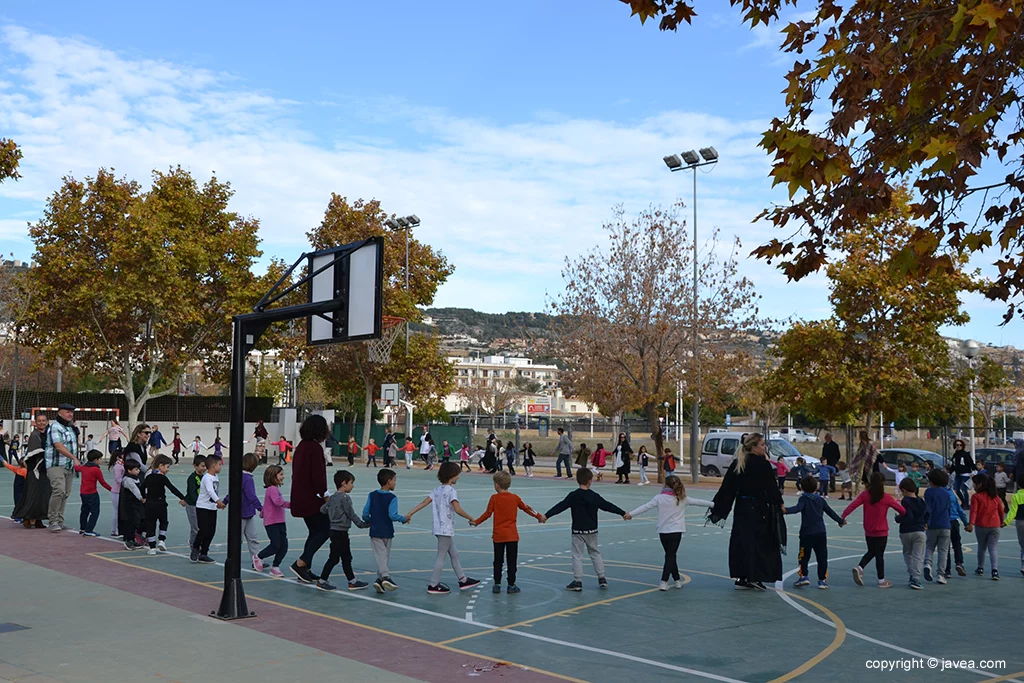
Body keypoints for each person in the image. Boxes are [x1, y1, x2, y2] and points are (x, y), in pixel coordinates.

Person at [708, 433, 786, 591]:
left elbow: (727, 488)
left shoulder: (739, 463)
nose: (765, 447)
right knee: (759, 542)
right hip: (758, 509)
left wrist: (718, 507)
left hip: (742, 507)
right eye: (763, 445)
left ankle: (742, 577)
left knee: (742, 541)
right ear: (754, 447)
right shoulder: (762, 464)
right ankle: (754, 576)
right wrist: (780, 504)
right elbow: (771, 487)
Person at [544, 468, 629, 591]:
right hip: (592, 531)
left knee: (577, 555)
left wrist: (546, 515)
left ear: (578, 480)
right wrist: (622, 513)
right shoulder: (594, 496)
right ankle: (602, 578)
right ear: (590, 480)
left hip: (577, 531)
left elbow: (560, 506)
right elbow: (608, 506)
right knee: (595, 553)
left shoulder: (573, 496)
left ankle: (578, 581)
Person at [406, 461, 482, 595]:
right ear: (452, 475)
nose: (459, 477)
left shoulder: (436, 490)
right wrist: (471, 517)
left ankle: (462, 579)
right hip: (445, 529)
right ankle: (433, 584)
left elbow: (424, 502)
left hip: (439, 528)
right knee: (441, 556)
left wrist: (410, 513)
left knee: (454, 554)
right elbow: (457, 509)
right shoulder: (451, 491)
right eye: (457, 474)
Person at [628, 475, 714, 590]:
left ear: (666, 485)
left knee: (670, 555)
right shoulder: (682, 498)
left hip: (663, 532)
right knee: (670, 556)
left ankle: (664, 581)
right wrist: (714, 504)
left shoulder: (659, 498)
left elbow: (645, 507)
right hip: (676, 532)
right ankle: (677, 580)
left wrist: (630, 514)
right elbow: (699, 502)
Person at [471, 470, 543, 594]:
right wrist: (539, 517)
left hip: (498, 536)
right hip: (512, 536)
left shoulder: (494, 498)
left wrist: (476, 522)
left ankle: (497, 584)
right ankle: (511, 584)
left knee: (498, 561)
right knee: (512, 561)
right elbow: (527, 508)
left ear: (497, 485)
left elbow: (487, 514)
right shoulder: (515, 498)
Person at [841, 471, 905, 589]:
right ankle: (881, 580)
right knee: (879, 555)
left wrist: (843, 517)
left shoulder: (865, 495)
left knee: (872, 551)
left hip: (868, 530)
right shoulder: (886, 498)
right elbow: (902, 510)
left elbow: (853, 505)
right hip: (881, 531)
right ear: (883, 483)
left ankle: (860, 568)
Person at [289, 414, 332, 583]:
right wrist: (325, 495)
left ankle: (305, 568)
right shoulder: (315, 448)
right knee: (324, 530)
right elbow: (318, 476)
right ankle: (301, 563)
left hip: (299, 495)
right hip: (311, 498)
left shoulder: (301, 446)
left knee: (314, 531)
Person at [784, 475, 846, 589]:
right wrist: (840, 521)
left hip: (806, 533)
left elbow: (797, 508)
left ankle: (804, 576)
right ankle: (822, 580)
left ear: (802, 487)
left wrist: (785, 511)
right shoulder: (820, 500)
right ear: (816, 487)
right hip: (821, 532)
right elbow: (830, 512)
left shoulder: (803, 499)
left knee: (803, 556)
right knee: (822, 557)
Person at [317, 469, 371, 591]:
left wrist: (332, 511)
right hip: (341, 532)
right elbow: (351, 514)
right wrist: (363, 524)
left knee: (345, 557)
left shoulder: (332, 498)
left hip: (334, 531)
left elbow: (322, 509)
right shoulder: (345, 498)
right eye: (351, 482)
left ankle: (352, 581)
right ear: (344, 483)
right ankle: (322, 580)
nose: (353, 485)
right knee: (336, 558)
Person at [363, 468, 407, 593]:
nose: (395, 483)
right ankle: (385, 577)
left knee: (381, 556)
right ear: (388, 481)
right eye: (394, 480)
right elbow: (392, 515)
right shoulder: (392, 498)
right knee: (384, 556)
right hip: (387, 530)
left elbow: (365, 513)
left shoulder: (372, 495)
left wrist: (369, 520)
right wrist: (403, 518)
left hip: (376, 530)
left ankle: (379, 580)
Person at [223, 453, 264, 569]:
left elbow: (232, 492)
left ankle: (255, 560)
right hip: (244, 512)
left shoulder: (239, 476)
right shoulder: (248, 479)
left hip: (243, 513)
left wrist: (225, 501)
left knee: (248, 538)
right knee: (251, 538)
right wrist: (261, 508)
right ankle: (239, 560)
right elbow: (251, 496)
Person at [11, 413, 52, 529]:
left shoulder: (49, 434)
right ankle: (27, 518)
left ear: (47, 422)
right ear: (35, 423)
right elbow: (36, 452)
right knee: (32, 493)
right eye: (39, 421)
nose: (41, 423)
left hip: (45, 468)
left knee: (43, 494)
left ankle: (39, 519)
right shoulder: (35, 435)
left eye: (43, 420)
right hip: (35, 469)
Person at [142, 455, 187, 555]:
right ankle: (162, 540)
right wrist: (183, 497)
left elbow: (142, 487)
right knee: (163, 521)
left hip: (150, 504)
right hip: (161, 503)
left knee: (150, 525)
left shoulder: (148, 477)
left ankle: (152, 547)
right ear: (160, 466)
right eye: (167, 467)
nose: (168, 470)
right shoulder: (162, 478)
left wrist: (143, 497)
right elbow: (172, 488)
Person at [46, 403, 80, 533]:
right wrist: (74, 458)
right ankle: (53, 520)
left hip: (68, 466)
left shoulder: (71, 428)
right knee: (58, 490)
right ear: (59, 413)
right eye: (67, 412)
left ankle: (60, 520)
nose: (70, 414)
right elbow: (59, 446)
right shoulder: (55, 427)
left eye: (72, 412)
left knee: (65, 494)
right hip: (56, 464)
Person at [894, 479, 929, 589]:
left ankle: (912, 574)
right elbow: (927, 514)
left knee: (908, 553)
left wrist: (898, 518)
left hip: (906, 531)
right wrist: (926, 523)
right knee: (918, 556)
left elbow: (908, 516)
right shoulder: (921, 501)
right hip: (919, 530)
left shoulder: (905, 501)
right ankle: (916, 577)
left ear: (903, 490)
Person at [191, 454, 225, 563]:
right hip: (203, 507)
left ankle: (204, 553)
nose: (221, 467)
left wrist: (217, 504)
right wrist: (218, 501)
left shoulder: (215, 477)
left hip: (211, 508)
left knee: (211, 531)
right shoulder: (206, 477)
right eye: (219, 464)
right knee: (204, 530)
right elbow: (210, 491)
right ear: (213, 465)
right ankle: (196, 547)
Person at [970, 473, 1005, 580]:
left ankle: (980, 568)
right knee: (993, 548)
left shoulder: (976, 497)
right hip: (995, 525)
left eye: (975, 484)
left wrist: (971, 523)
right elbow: (1001, 510)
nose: (974, 486)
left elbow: (974, 511)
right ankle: (995, 570)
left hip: (981, 525)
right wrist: (1002, 521)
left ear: (980, 484)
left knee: (982, 547)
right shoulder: (995, 497)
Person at [257, 465, 289, 577]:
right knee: (276, 545)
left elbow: (266, 505)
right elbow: (278, 502)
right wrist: (293, 505)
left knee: (283, 545)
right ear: (273, 476)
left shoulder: (275, 489)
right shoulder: (272, 489)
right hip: (272, 522)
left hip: (280, 521)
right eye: (281, 474)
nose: (283, 476)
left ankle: (275, 566)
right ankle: (259, 557)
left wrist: (262, 513)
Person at [922, 468, 952, 584]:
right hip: (945, 524)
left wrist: (926, 521)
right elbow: (948, 509)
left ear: (931, 481)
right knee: (943, 551)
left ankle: (928, 564)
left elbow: (928, 509)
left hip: (932, 524)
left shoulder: (928, 492)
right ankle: (940, 574)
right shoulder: (946, 493)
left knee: (929, 546)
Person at [75, 449, 111, 537]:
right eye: (100, 459)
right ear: (95, 460)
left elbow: (77, 467)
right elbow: (103, 482)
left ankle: (83, 528)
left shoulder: (84, 467)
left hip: (83, 493)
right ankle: (89, 529)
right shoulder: (96, 469)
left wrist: (75, 460)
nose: (100, 461)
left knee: (84, 511)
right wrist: (112, 489)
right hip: (92, 493)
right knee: (95, 512)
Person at [118, 461, 146, 550]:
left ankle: (133, 539)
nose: (138, 471)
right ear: (129, 470)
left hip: (136, 504)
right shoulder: (127, 480)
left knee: (138, 520)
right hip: (130, 504)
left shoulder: (136, 478)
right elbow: (135, 490)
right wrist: (141, 498)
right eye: (136, 469)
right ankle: (129, 540)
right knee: (133, 521)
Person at [183, 455, 206, 549]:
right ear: (195, 466)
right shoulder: (192, 478)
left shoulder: (204, 478)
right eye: (202, 466)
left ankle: (197, 543)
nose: (204, 468)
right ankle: (193, 545)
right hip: (193, 505)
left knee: (202, 527)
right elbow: (191, 493)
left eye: (205, 466)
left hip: (201, 505)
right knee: (195, 527)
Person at [1005, 474, 1024, 578]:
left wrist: (1006, 522)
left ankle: (1023, 565)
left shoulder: (1016, 496)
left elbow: (1012, 511)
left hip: (1020, 522)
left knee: (1022, 545)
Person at [849, 431, 877, 497]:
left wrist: (871, 460)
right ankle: (868, 492)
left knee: (872, 479)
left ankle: (873, 493)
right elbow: (859, 454)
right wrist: (853, 465)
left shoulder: (870, 443)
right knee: (865, 479)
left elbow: (874, 453)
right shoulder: (861, 444)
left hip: (873, 464)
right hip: (866, 464)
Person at [950, 438, 975, 508]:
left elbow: (971, 463)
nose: (958, 446)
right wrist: (950, 471)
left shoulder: (965, 454)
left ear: (962, 446)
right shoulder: (955, 455)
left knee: (964, 489)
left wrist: (974, 471)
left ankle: (966, 504)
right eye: (957, 445)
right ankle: (963, 502)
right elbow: (953, 465)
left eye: (960, 445)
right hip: (958, 474)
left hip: (965, 474)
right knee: (956, 489)